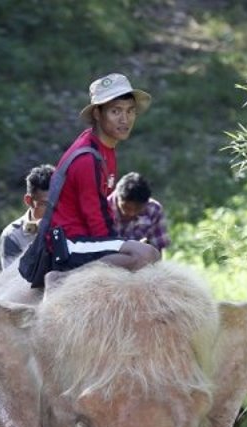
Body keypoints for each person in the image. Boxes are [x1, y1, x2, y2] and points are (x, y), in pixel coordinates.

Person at [30, 73, 161, 278]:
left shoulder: (104, 148)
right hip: (67, 243)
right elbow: (96, 218)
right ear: (98, 114)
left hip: (83, 238)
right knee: (146, 255)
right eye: (115, 111)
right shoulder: (87, 159)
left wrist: (121, 245)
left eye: (130, 111)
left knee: (142, 252)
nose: (124, 119)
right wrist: (120, 247)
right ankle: (62, 278)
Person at [0, 164, 54, 269]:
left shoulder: (68, 225)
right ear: (29, 201)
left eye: (56, 203)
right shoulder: (12, 236)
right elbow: (11, 280)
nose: (52, 211)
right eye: (45, 204)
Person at [111, 171, 169, 251]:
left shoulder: (154, 210)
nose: (131, 213)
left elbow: (158, 249)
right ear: (118, 197)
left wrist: (147, 247)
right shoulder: (102, 209)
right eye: (126, 208)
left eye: (138, 209)